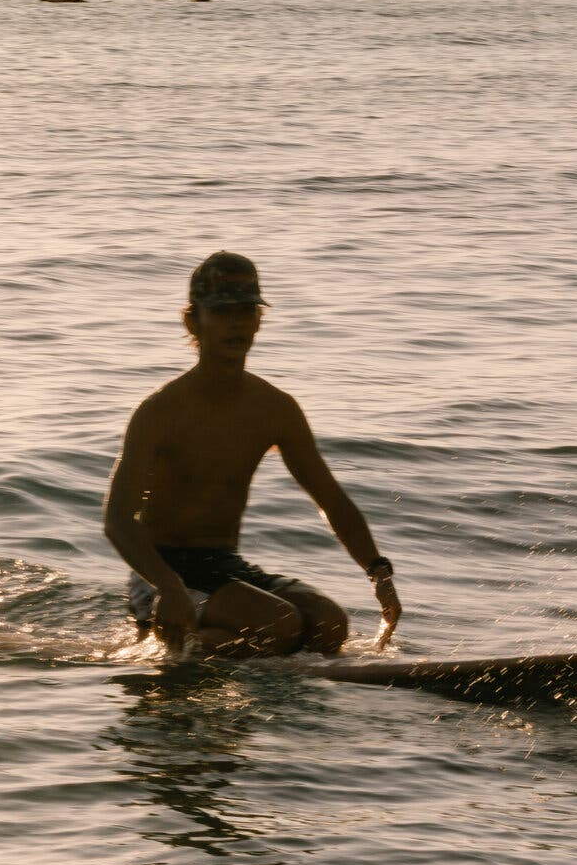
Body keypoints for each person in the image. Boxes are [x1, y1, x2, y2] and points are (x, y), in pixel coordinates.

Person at [104, 253, 401, 658]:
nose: (237, 322)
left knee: (330, 625)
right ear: (193, 322)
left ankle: (226, 650)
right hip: (162, 572)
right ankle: (170, 650)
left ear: (260, 320)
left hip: (224, 567)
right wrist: (169, 588)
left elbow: (330, 498)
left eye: (246, 311)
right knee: (278, 624)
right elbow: (117, 520)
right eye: (222, 312)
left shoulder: (274, 408)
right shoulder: (161, 411)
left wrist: (377, 572)